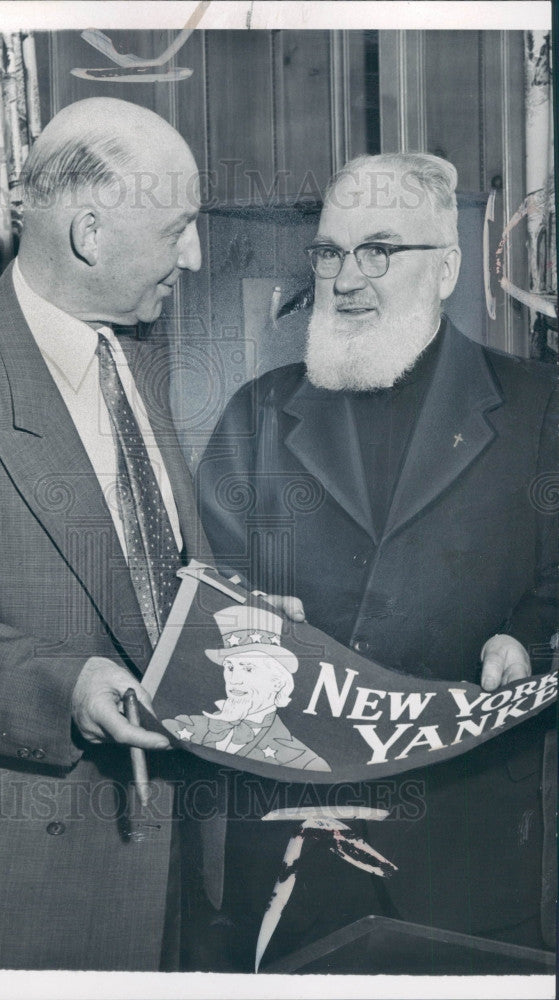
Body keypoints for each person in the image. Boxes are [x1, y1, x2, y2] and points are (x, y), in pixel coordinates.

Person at [0, 96, 275, 971]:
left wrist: (235, 617)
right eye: (178, 227)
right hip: (12, 886)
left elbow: (143, 567)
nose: (195, 254)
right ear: (90, 232)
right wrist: (63, 689)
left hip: (164, 849)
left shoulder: (129, 358)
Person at [195, 153, 557, 967]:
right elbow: (202, 587)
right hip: (289, 846)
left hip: (468, 853)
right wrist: (244, 618)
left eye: (380, 250)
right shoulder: (257, 413)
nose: (346, 278)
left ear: (448, 269)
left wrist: (525, 641)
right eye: (328, 252)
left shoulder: (542, 408)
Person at [163, 605, 330, 770]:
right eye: (230, 668)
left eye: (248, 669)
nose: (234, 680)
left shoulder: (303, 761)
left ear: (278, 681)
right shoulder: (188, 726)